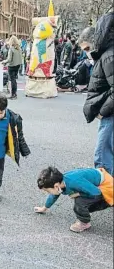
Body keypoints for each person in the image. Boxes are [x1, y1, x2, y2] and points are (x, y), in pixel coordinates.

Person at [34, 166, 113, 233]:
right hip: (95, 185)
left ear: (55, 186)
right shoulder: (60, 183)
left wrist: (79, 194)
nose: (48, 192)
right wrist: (44, 208)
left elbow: (96, 192)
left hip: (107, 186)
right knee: (81, 202)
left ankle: (84, 223)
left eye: (47, 190)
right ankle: (87, 210)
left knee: (79, 202)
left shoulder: (74, 181)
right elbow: (54, 195)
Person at [82, 12, 114, 176]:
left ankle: (105, 193)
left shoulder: (108, 56)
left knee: (102, 156)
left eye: (87, 48)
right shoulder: (107, 54)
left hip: (109, 114)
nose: (86, 52)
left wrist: (102, 112)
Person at [2, 36, 22, 100]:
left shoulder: (11, 49)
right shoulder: (19, 48)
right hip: (18, 65)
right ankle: (14, 93)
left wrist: (4, 61)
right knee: (14, 80)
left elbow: (9, 59)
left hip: (12, 66)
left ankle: (13, 94)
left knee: (12, 80)